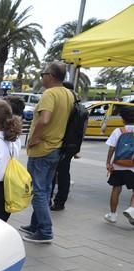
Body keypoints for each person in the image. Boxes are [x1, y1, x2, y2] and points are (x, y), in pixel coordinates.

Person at [21, 62, 74, 244]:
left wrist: (34, 138)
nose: (41, 77)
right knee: (46, 189)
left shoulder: (50, 93)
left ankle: (45, 231)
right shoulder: (68, 93)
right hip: (56, 148)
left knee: (39, 191)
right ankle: (35, 224)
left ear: (50, 75)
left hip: (42, 149)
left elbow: (44, 120)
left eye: (43, 74)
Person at [50, 81, 84, 211]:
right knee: (64, 172)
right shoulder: (80, 107)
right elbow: (83, 131)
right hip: (71, 145)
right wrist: (77, 148)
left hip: (62, 143)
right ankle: (60, 201)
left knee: (55, 173)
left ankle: (55, 200)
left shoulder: (69, 106)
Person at [104, 105, 134, 225]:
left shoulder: (118, 131)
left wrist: (108, 162)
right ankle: (132, 209)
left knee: (116, 188)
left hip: (118, 165)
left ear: (123, 119)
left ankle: (112, 215)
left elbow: (112, 148)